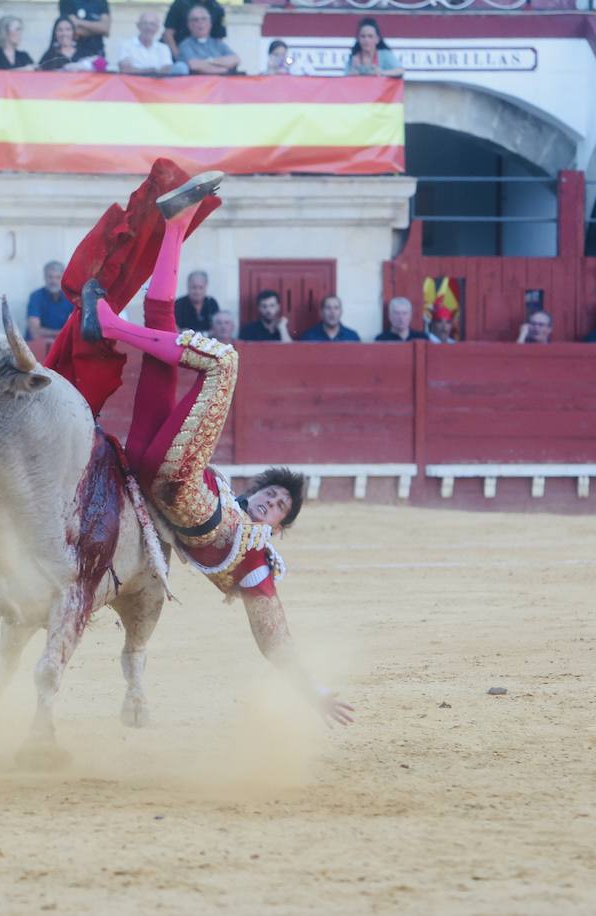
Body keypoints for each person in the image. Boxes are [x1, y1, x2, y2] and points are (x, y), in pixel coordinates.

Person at [53, 167, 353, 727]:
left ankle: (109, 326)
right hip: (150, 467)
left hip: (174, 481)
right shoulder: (236, 503)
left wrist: (310, 690)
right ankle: (175, 225)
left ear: (279, 528)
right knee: (163, 323)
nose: (270, 502)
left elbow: (274, 638)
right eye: (271, 494)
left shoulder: (258, 559)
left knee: (225, 361)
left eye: (279, 507)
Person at [178, 3, 237, 75]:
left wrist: (209, 61)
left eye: (204, 19)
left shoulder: (217, 43)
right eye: (195, 20)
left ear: (210, 23)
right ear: (189, 25)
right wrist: (224, 68)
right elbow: (194, 65)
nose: (200, 23)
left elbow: (235, 59)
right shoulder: (185, 45)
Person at [117, 11, 174, 75]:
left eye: (152, 24)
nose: (148, 27)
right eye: (145, 23)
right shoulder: (126, 45)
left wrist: (137, 70)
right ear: (138, 26)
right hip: (132, 81)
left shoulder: (164, 48)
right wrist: (151, 71)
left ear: (157, 28)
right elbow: (124, 69)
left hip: (157, 82)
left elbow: (167, 69)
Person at [27, 260, 72, 342]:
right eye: (50, 277)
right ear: (45, 277)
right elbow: (34, 332)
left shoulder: (70, 297)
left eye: (58, 277)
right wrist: (60, 333)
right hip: (39, 343)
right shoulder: (36, 296)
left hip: (62, 342)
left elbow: (73, 329)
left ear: (63, 278)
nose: (54, 281)